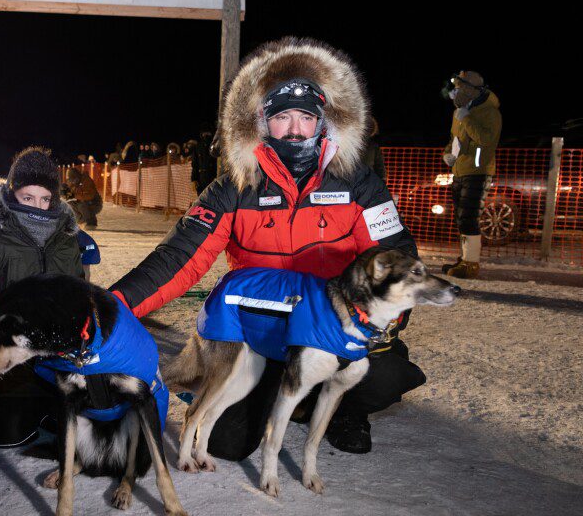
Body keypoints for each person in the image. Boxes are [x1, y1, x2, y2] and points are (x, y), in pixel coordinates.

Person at [110, 37, 423, 458]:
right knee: (227, 444)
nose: (295, 129)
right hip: (264, 333)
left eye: (306, 117)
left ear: (324, 122)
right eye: (282, 118)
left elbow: (396, 255)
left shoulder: (358, 183)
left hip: (332, 327)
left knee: (385, 374)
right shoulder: (233, 189)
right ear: (260, 122)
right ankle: (274, 395)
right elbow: (176, 260)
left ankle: (341, 409)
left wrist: (388, 315)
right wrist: (109, 308)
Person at [0, 146, 84, 447]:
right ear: (12, 196)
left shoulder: (67, 241)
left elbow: (79, 292)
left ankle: (49, 404)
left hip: (57, 350)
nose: (38, 206)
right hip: (13, 351)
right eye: (28, 198)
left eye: (45, 199)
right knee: (8, 432)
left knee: (86, 418)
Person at [441, 71, 502, 279]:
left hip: (478, 171)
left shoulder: (489, 112)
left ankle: (471, 264)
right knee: (461, 218)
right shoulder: (460, 111)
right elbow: (454, 139)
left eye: (458, 88)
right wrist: (447, 154)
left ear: (469, 90)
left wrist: (466, 118)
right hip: (460, 170)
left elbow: (486, 139)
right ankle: (465, 257)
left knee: (469, 218)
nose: (454, 93)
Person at [190, 127, 217, 195]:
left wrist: (217, 176)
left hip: (213, 177)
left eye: (208, 133)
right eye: (204, 133)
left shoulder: (215, 146)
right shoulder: (197, 147)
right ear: (201, 134)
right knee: (201, 199)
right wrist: (194, 179)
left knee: (213, 198)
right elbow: (195, 165)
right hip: (201, 179)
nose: (206, 135)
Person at [362, 116, 386, 181]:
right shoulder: (350, 145)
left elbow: (379, 164)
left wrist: (382, 179)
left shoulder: (373, 146)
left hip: (368, 179)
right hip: (352, 181)